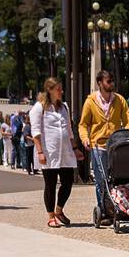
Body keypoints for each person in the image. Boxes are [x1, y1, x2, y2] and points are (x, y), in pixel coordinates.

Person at [78, 70, 129, 225]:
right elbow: (83, 124)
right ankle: (104, 210)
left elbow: (128, 119)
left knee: (116, 179)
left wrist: (127, 134)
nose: (112, 84)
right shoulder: (90, 102)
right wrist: (85, 138)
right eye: (108, 81)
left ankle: (116, 207)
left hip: (116, 146)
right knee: (101, 181)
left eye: (113, 81)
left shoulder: (119, 100)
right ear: (100, 83)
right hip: (98, 146)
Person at [32, 77, 83, 228]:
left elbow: (69, 131)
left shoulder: (64, 107)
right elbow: (35, 132)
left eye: (61, 88)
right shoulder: (39, 107)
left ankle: (59, 210)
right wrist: (40, 151)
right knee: (50, 184)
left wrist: (75, 148)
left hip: (65, 151)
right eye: (58, 89)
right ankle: (51, 216)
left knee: (68, 182)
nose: (61, 91)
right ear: (50, 90)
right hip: (49, 152)